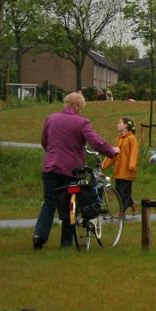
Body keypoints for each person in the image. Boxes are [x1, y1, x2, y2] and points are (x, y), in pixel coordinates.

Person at [33, 92, 119, 249]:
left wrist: (53, 154)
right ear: (78, 107)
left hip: (50, 167)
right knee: (68, 205)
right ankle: (66, 243)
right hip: (71, 170)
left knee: (49, 202)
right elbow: (95, 142)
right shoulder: (81, 122)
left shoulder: (51, 118)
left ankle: (39, 235)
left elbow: (44, 142)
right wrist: (112, 151)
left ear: (66, 103)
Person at [101, 116, 139, 216]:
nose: (117, 125)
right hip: (119, 171)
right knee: (119, 191)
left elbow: (134, 154)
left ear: (125, 125)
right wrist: (103, 165)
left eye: (119, 123)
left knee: (124, 192)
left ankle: (121, 212)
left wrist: (132, 167)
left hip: (127, 171)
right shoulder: (118, 139)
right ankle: (132, 203)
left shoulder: (132, 139)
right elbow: (113, 154)